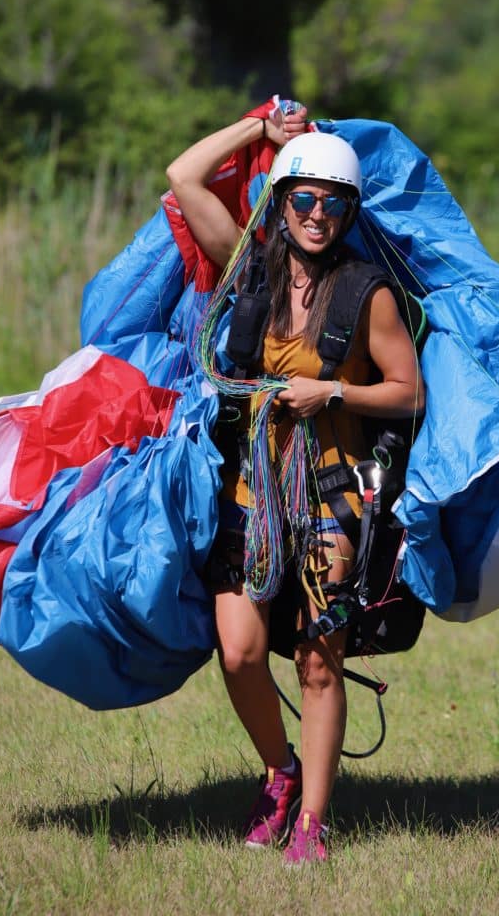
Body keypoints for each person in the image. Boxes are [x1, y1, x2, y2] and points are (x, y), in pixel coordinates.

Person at [166, 103, 425, 864]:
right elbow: (183, 177)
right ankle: (278, 774)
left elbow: (407, 391)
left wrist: (334, 393)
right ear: (280, 203)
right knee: (241, 652)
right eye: (303, 199)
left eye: (333, 202)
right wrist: (260, 131)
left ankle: (311, 821)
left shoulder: (365, 291)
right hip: (250, 497)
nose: (317, 215)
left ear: (349, 210)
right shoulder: (250, 269)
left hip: (331, 501)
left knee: (318, 661)